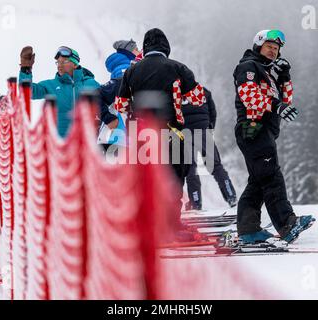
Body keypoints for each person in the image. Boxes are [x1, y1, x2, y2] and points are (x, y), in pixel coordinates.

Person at [115, 28, 206, 240]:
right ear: (165, 47)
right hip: (172, 132)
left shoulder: (131, 71)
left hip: (142, 133)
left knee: (146, 179)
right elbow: (198, 98)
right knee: (173, 178)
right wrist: (179, 99)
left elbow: (120, 105)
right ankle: (171, 225)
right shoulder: (177, 67)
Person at [233, 29, 315, 244]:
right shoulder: (247, 66)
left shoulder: (270, 74)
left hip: (265, 131)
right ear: (258, 45)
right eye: (269, 46)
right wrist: (277, 106)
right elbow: (249, 96)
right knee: (271, 177)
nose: (273, 51)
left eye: (276, 48)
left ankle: (249, 230)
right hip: (252, 128)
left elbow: (286, 100)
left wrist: (285, 77)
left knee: (258, 182)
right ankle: (287, 223)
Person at [19, 46, 100, 137]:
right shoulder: (51, 85)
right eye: (58, 62)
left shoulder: (91, 84)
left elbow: (106, 106)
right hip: (59, 145)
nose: (60, 65)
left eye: (64, 61)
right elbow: (28, 92)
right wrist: (25, 69)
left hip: (87, 143)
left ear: (75, 64)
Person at [182, 88, 237, 210]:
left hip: (184, 133)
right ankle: (231, 196)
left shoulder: (175, 93)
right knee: (216, 166)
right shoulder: (203, 92)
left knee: (191, 169)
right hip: (203, 131)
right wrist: (209, 127)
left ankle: (195, 203)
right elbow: (213, 112)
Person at [98, 40, 140, 149]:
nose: (140, 52)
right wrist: (109, 118)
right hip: (121, 138)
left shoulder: (121, 69)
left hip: (112, 137)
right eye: (136, 49)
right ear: (129, 53)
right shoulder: (126, 71)